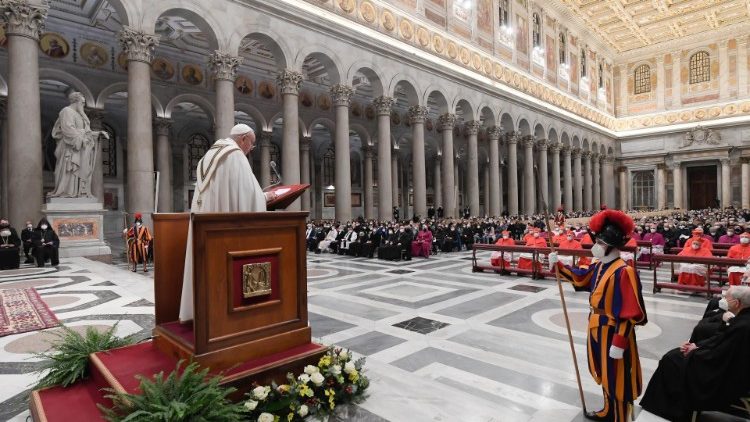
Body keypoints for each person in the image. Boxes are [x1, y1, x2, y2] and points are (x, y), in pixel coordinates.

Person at [549, 209, 647, 422]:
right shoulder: (600, 266)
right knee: (604, 371)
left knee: (618, 377)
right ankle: (607, 409)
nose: (597, 246)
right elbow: (581, 279)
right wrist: (558, 265)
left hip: (613, 331)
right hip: (596, 327)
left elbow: (630, 313)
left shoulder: (624, 271)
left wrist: (619, 343)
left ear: (612, 246)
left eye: (601, 243)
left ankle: (620, 416)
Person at [179, 124, 277, 322]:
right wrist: (266, 197)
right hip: (226, 232)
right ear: (243, 139)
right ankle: (226, 316)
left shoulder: (210, 155)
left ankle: (203, 312)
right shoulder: (235, 155)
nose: (251, 149)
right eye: (252, 144)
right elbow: (248, 196)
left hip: (207, 227)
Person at [640, 286, 750, 422]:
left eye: (726, 298)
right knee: (675, 356)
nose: (723, 300)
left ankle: (671, 408)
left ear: (737, 303)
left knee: (671, 360)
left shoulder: (742, 326)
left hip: (725, 375)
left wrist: (696, 352)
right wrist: (697, 345)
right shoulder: (742, 319)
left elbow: (719, 354)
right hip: (725, 363)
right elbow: (720, 341)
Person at [48, 92, 110, 198]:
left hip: (80, 148)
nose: (83, 105)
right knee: (70, 171)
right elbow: (67, 129)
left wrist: (98, 133)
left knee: (82, 170)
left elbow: (86, 132)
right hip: (71, 148)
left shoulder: (81, 115)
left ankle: (79, 192)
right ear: (76, 101)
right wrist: (82, 138)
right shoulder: (66, 111)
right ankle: (66, 192)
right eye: (82, 102)